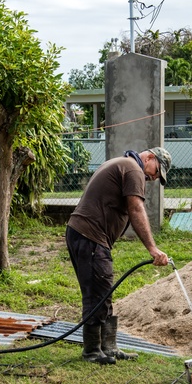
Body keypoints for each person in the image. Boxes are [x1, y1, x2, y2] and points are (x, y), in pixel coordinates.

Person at [66, 146, 172, 364]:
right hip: (89, 236)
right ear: (150, 157)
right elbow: (136, 209)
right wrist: (153, 248)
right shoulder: (133, 169)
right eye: (156, 171)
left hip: (86, 235)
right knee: (97, 292)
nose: (153, 177)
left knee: (103, 288)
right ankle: (92, 351)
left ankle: (108, 347)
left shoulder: (124, 164)